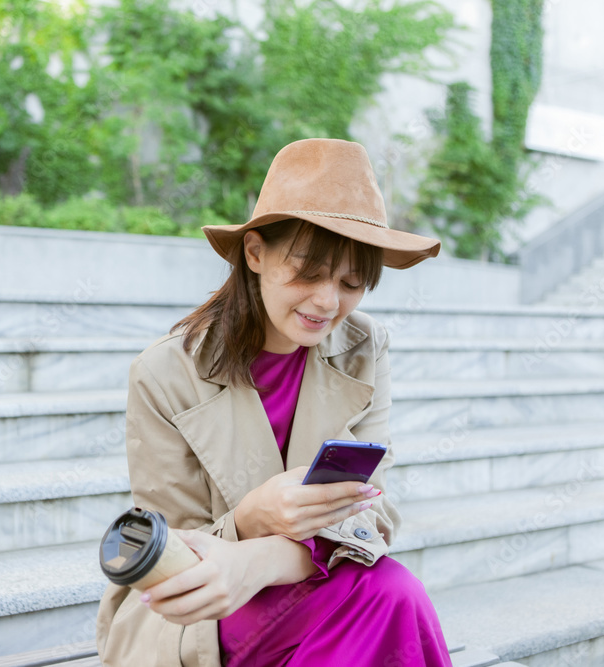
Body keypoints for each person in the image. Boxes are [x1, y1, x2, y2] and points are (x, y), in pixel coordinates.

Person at [96, 138, 454, 667]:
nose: (328, 302)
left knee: (391, 591)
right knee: (389, 597)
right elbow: (170, 547)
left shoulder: (364, 348)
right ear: (256, 252)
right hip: (197, 609)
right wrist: (248, 519)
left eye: (352, 282)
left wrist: (264, 558)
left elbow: (373, 511)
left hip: (310, 580)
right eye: (308, 272)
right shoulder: (165, 372)